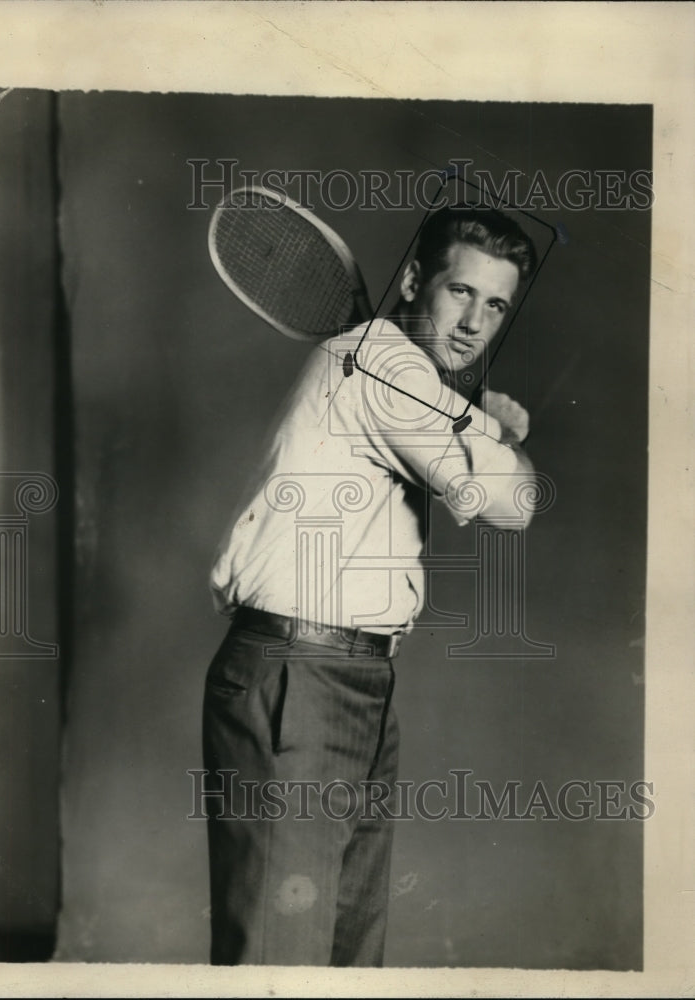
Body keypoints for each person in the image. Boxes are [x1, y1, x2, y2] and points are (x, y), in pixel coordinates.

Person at [202, 204, 538, 966]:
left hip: (357, 680)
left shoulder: (411, 380)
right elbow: (506, 502)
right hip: (298, 677)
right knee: (279, 958)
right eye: (461, 292)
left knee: (349, 958)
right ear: (416, 280)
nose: (474, 322)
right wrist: (498, 432)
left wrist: (481, 430)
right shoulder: (381, 361)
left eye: (495, 305)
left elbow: (514, 498)